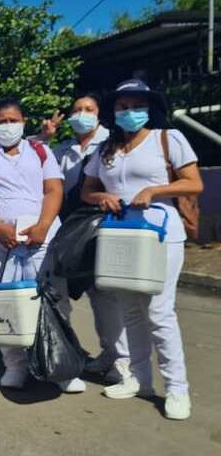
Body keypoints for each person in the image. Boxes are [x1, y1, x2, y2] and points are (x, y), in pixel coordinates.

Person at [81, 79, 203, 420]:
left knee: (160, 312)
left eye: (136, 105)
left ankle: (177, 388)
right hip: (120, 234)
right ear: (113, 111)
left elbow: (194, 182)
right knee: (130, 309)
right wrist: (101, 196)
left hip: (159, 234)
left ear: (149, 108)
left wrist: (155, 191)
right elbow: (87, 190)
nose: (129, 112)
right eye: (122, 106)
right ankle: (139, 378)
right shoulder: (106, 148)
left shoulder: (167, 139)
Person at [0, 97, 86, 394]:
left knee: (54, 299)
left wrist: (42, 225)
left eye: (13, 120)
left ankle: (61, 364)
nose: (7, 126)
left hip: (40, 237)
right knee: (5, 302)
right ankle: (15, 364)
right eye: (1, 121)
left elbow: (53, 189)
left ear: (24, 121)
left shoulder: (40, 151)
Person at [43, 94, 129, 385]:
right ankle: (66, 355)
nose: (82, 114)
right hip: (69, 229)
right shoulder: (62, 149)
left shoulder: (112, 143)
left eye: (88, 109)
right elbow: (36, 166)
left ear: (99, 113)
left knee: (105, 296)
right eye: (77, 110)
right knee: (60, 294)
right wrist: (44, 138)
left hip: (102, 226)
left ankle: (118, 361)